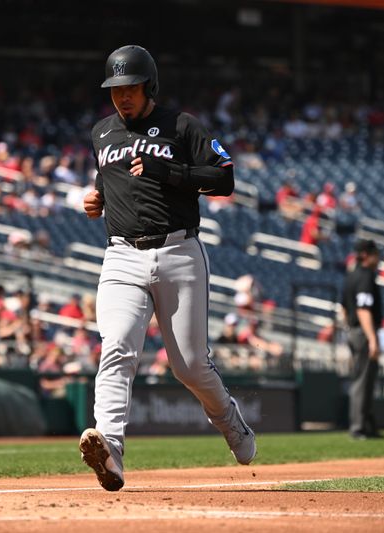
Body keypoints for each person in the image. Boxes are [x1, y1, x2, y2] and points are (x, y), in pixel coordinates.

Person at [79, 45, 256, 492]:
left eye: (131, 87)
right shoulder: (102, 133)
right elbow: (111, 180)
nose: (122, 96)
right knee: (117, 344)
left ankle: (233, 426)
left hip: (180, 253)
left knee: (190, 366)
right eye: (115, 89)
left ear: (149, 86)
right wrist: (96, 198)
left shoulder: (182, 126)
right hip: (121, 256)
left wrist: (171, 171)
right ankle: (111, 449)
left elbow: (225, 179)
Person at [341, 239, 384, 440]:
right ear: (366, 255)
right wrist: (372, 338)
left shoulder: (351, 276)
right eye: (375, 253)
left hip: (354, 331)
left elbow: (343, 308)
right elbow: (363, 309)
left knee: (366, 380)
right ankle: (358, 427)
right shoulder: (365, 276)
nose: (379, 258)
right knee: (362, 381)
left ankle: (367, 425)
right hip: (363, 332)